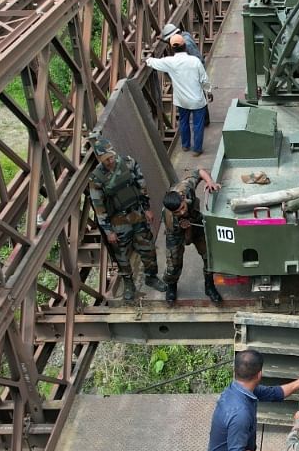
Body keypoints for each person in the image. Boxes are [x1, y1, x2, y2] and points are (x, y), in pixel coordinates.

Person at [87, 136, 167, 301]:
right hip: (118, 221)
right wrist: (108, 231)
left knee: (147, 247)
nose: (109, 161)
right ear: (98, 159)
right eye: (105, 160)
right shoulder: (96, 178)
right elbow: (99, 206)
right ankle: (128, 283)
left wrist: (147, 209)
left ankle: (151, 276)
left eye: (110, 157)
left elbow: (141, 185)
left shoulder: (128, 163)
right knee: (122, 255)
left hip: (137, 214)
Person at [162, 167, 222, 306]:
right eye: (178, 212)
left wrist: (210, 181)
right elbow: (187, 241)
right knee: (173, 263)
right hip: (178, 232)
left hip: (196, 222)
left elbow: (199, 171)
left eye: (183, 207)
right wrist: (186, 228)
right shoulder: (170, 219)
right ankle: (171, 286)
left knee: (209, 256)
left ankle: (209, 286)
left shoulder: (185, 187)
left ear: (183, 198)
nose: (182, 212)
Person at [146, 34, 212, 156]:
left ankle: (185, 145)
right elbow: (204, 80)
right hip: (197, 100)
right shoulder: (195, 61)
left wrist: (146, 58)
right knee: (198, 125)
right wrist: (209, 91)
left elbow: (153, 62)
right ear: (185, 46)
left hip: (182, 101)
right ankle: (197, 149)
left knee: (184, 122)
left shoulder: (170, 62)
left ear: (172, 48)